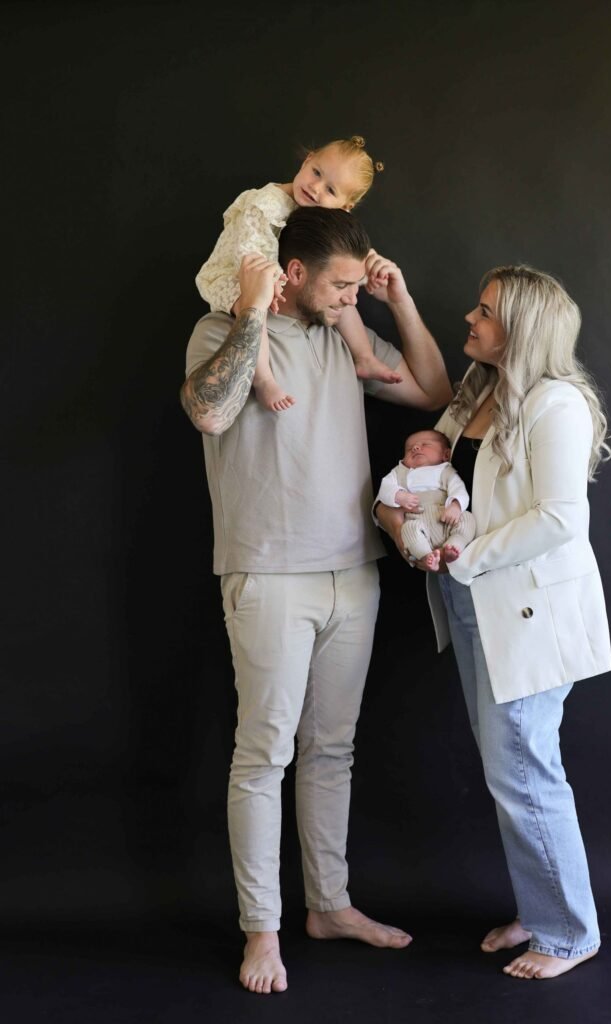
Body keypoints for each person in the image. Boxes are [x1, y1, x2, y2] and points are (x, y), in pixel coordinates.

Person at [181, 206, 452, 995]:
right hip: (268, 573)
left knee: (332, 750)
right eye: (340, 286)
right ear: (292, 272)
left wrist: (398, 300)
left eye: (356, 287)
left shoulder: (343, 334)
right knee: (263, 756)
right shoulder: (219, 329)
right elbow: (208, 411)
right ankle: (261, 931)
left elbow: (433, 389)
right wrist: (251, 315)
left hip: (353, 572)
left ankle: (329, 906)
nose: (349, 299)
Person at [377, 264, 611, 980]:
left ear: (522, 329)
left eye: (485, 312)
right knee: (508, 769)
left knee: (523, 772)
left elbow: (562, 518)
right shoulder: (477, 393)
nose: (470, 319)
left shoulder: (556, 404)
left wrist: (467, 556)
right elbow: (436, 482)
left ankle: (568, 933)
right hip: (471, 601)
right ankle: (542, 909)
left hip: (524, 609)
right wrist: (399, 525)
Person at [195, 135, 401, 412]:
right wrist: (270, 286)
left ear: (344, 208)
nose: (315, 188)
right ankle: (264, 379)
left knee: (341, 293)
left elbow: (340, 253)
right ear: (307, 160)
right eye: (316, 172)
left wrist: (366, 270)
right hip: (238, 272)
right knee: (255, 311)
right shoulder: (264, 205)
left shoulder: (322, 216)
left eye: (330, 190)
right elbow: (251, 255)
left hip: (275, 272)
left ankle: (364, 357)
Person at [376, 429, 476, 570]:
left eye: (425, 444)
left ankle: (454, 545)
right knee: (408, 529)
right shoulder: (399, 472)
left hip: (445, 518)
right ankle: (426, 556)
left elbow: (459, 490)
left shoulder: (446, 471)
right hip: (417, 520)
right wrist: (399, 496)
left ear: (446, 454)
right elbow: (384, 489)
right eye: (409, 449)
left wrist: (455, 506)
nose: (416, 448)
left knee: (467, 518)